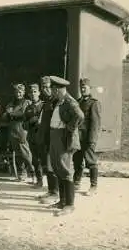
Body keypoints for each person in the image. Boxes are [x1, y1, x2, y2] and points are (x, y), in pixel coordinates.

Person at [47, 76, 84, 216]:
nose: (52, 92)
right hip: (55, 136)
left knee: (66, 170)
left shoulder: (69, 101)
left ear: (58, 89)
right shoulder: (60, 101)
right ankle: (62, 201)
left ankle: (69, 204)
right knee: (58, 168)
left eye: (53, 89)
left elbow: (80, 116)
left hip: (64, 138)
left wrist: (69, 128)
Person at [73, 78, 102, 196]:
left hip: (87, 138)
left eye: (85, 87)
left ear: (90, 88)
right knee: (77, 161)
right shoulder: (78, 102)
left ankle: (93, 186)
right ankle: (76, 183)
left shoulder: (94, 103)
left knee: (91, 162)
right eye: (81, 87)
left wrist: (92, 140)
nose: (83, 89)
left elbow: (96, 124)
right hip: (78, 138)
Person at [2, 83, 35, 182]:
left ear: (24, 92)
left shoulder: (26, 103)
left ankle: (33, 172)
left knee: (25, 153)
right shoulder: (11, 103)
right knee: (17, 154)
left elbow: (23, 114)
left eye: (20, 92)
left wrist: (11, 113)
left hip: (22, 130)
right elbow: (4, 117)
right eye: (16, 91)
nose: (18, 93)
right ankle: (22, 173)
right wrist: (9, 114)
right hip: (12, 130)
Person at [36, 76, 60, 204]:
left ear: (52, 87)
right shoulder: (47, 102)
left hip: (53, 139)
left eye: (47, 87)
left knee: (53, 166)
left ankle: (55, 193)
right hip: (45, 139)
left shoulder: (56, 101)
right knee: (47, 165)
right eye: (43, 87)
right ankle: (50, 190)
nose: (45, 90)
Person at [24, 83, 45, 188]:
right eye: (31, 92)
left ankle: (52, 187)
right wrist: (30, 122)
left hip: (42, 137)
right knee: (35, 160)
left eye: (35, 92)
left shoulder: (44, 105)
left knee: (45, 160)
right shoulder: (28, 108)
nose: (33, 94)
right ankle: (39, 180)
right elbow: (24, 125)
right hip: (32, 137)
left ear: (39, 93)